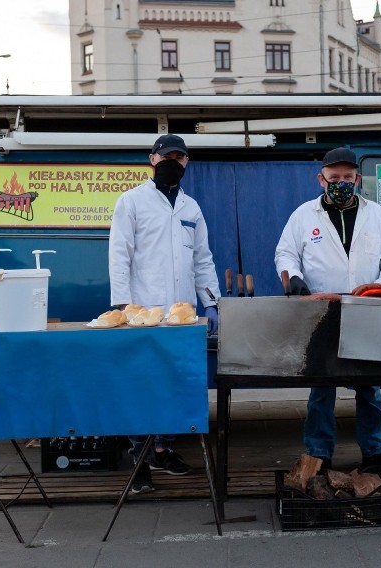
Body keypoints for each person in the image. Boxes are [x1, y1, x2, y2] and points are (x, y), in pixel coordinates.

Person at [274, 147, 381, 473]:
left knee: (369, 388)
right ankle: (319, 452)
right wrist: (294, 278)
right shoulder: (304, 215)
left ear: (358, 179)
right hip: (323, 313)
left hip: (368, 309)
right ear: (321, 179)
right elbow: (285, 254)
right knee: (322, 388)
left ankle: (375, 453)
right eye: (334, 178)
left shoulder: (378, 216)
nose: (341, 183)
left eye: (348, 177)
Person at [109, 134, 222, 493]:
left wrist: (211, 301)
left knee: (178, 382)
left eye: (180, 157)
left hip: (183, 313)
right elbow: (119, 253)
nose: (174, 161)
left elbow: (202, 258)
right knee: (142, 384)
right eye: (167, 156)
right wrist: (123, 303)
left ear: (187, 163)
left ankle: (163, 449)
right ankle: (139, 456)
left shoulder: (192, 208)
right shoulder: (132, 202)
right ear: (152, 160)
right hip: (144, 311)